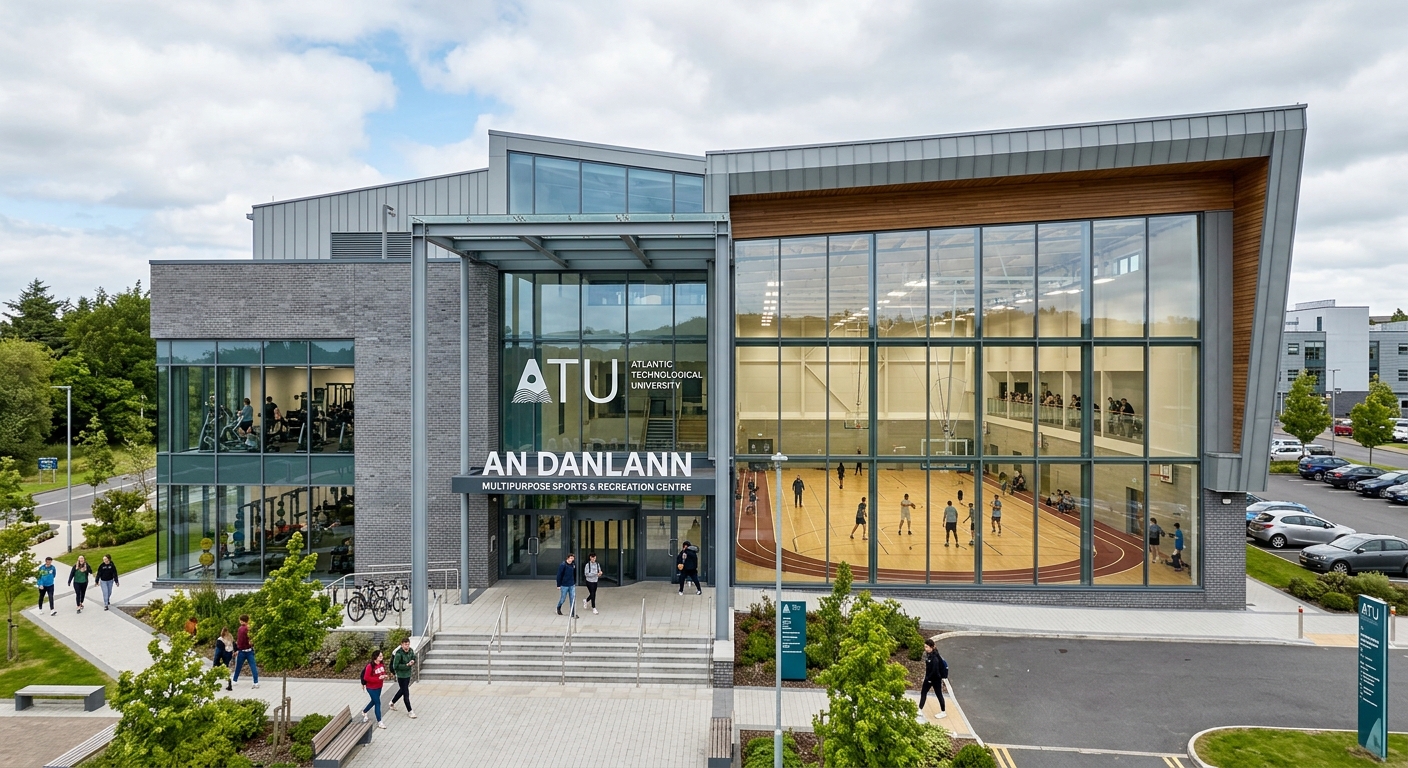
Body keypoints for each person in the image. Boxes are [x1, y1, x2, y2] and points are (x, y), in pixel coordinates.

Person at [918, 638, 948, 720]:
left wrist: (928, 678)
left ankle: (943, 712)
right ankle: (920, 709)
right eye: (925, 646)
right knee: (923, 692)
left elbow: (935, 671)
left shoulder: (935, 658)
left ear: (931, 647)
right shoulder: (930, 655)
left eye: (927, 647)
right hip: (929, 678)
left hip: (935, 679)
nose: (925, 648)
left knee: (939, 694)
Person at [388, 636, 417, 718]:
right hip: (401, 675)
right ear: (402, 645)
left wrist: (413, 661)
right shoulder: (398, 654)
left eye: (408, 644)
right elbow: (395, 666)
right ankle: (410, 711)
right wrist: (406, 665)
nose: (407, 646)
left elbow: (414, 657)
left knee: (402, 690)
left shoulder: (411, 651)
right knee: (406, 693)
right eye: (405, 645)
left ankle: (392, 702)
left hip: (408, 674)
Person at [360, 650, 389, 729]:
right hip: (371, 688)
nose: (381, 658)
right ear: (375, 657)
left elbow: (382, 672)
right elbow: (366, 677)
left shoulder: (381, 664)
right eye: (380, 656)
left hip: (379, 686)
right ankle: (379, 721)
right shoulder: (370, 666)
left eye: (382, 656)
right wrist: (378, 679)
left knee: (374, 701)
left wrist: (384, 676)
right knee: (377, 703)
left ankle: (364, 711)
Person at [232, 614, 260, 688]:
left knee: (238, 666)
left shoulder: (240, 629)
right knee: (253, 666)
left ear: (241, 621)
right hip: (249, 650)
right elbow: (253, 639)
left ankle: (234, 680)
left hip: (242, 651)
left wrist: (237, 649)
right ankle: (256, 682)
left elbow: (239, 640)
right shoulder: (250, 628)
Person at [214, 627, 235, 691]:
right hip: (229, 654)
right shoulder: (231, 638)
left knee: (215, 670)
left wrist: (216, 662)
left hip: (223, 654)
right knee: (226, 668)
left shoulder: (220, 640)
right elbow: (235, 646)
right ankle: (229, 684)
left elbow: (218, 652)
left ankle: (211, 683)